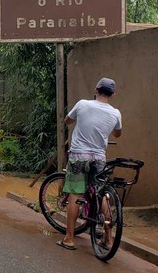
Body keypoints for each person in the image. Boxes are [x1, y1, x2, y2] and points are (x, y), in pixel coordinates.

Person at [57, 77, 122, 251]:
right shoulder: (116, 113)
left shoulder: (83, 104)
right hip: (99, 158)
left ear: (96, 89)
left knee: (75, 195)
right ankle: (108, 239)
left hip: (79, 156)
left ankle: (69, 239)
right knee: (101, 195)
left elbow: (67, 121)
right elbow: (117, 134)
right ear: (113, 94)